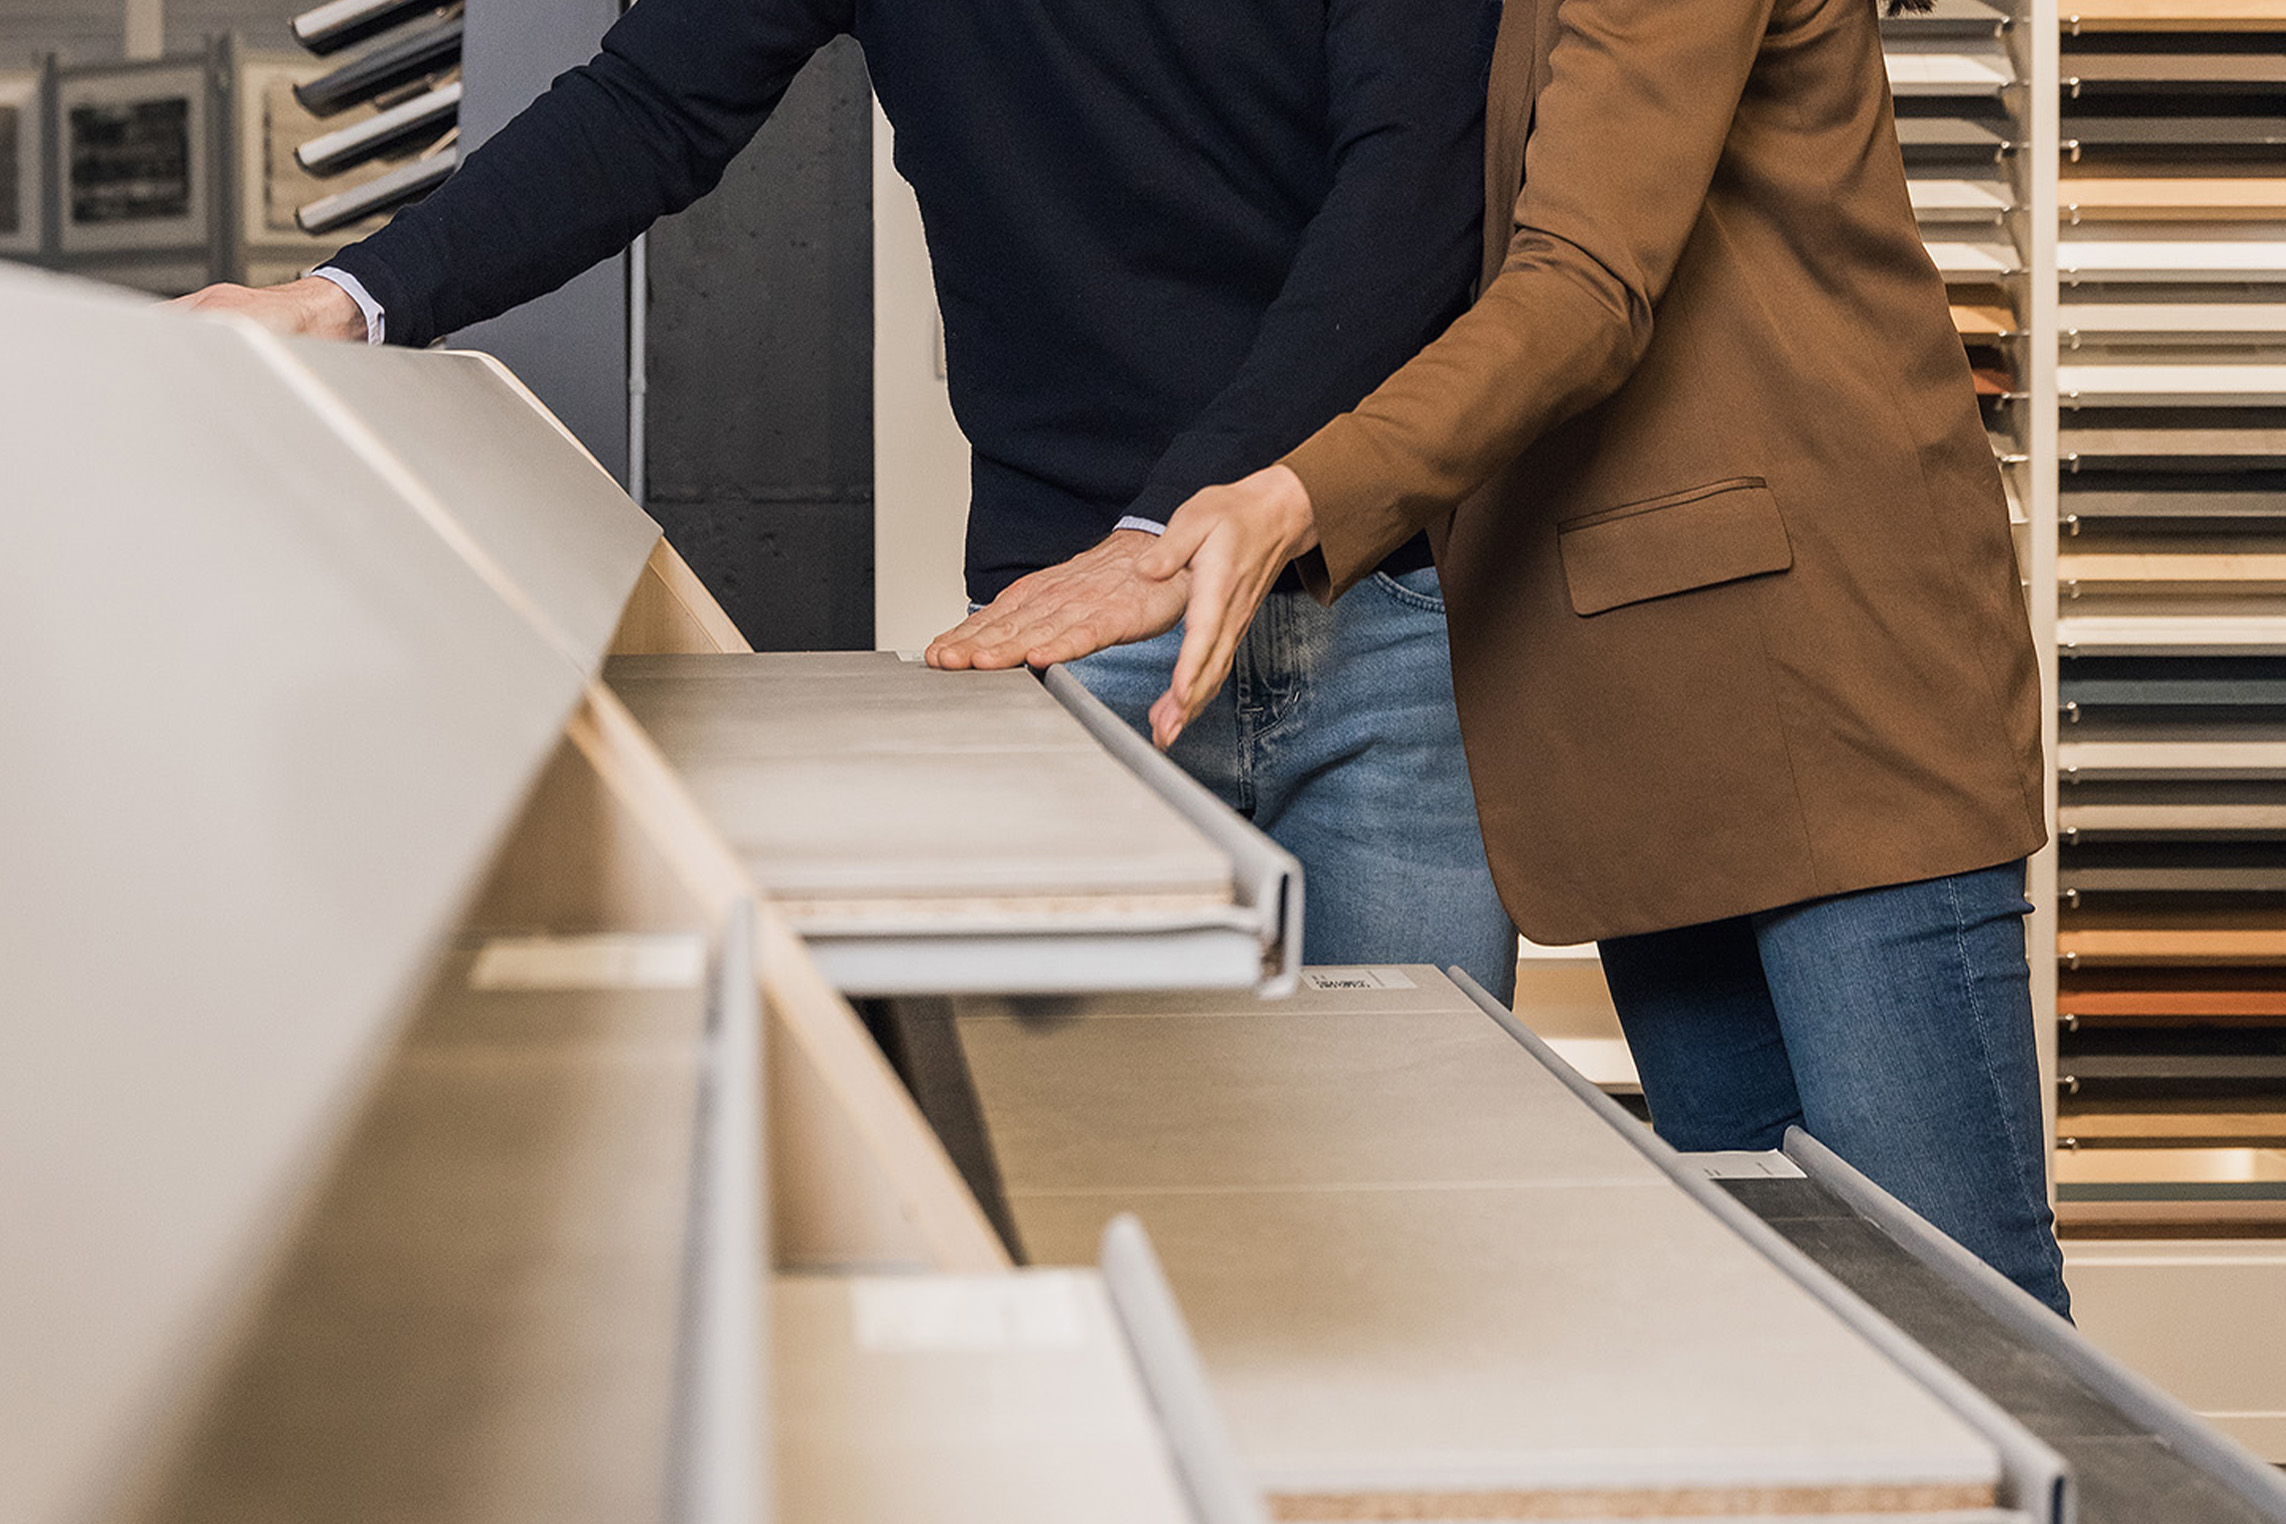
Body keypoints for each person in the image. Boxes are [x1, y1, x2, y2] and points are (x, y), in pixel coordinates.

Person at [929, 0, 2072, 1315]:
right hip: (1643, 686)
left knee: (1971, 1323)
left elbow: (1583, 285)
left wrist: (1283, 498)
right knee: (1788, 1318)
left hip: (1826, 665)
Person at [180, 0, 1521, 1001]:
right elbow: (651, 104)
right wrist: (350, 299)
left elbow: (1407, 197)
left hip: (1386, 606)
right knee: (1092, 1189)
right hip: (1069, 628)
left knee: (1427, 1181)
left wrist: (1169, 524)